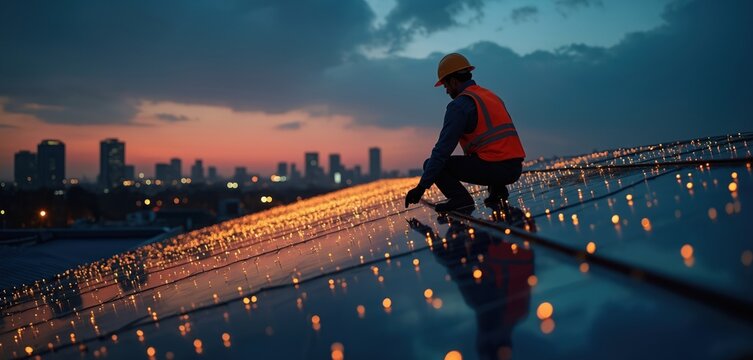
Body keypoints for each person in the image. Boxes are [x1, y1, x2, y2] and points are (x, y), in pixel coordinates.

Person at [405, 53, 526, 212]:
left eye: (446, 86)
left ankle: (460, 199)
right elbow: (497, 143)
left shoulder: (460, 105)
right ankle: (497, 191)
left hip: (495, 169)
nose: (446, 91)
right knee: (485, 152)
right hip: (515, 168)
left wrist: (421, 188)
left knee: (433, 164)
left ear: (454, 82)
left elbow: (442, 150)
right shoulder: (490, 96)